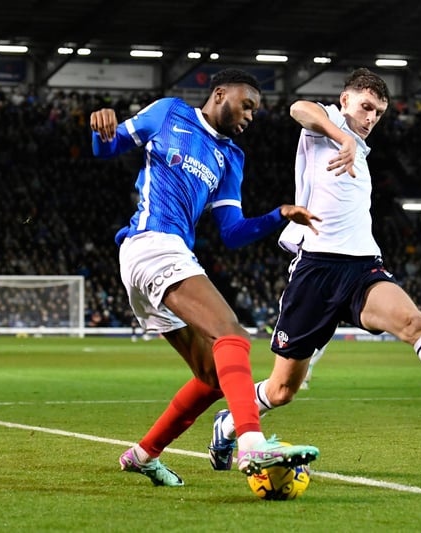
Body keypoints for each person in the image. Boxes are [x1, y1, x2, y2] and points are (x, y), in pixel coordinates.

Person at [208, 69, 421, 471]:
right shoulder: (327, 125)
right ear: (345, 100)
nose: (371, 118)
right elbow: (298, 108)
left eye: (379, 113)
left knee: (414, 322)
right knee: (283, 390)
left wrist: (354, 144)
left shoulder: (363, 153)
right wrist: (343, 137)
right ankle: (228, 425)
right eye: (366, 107)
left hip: (361, 267)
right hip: (315, 271)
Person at [90, 68, 321, 486]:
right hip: (151, 242)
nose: (251, 116)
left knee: (213, 377)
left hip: (160, 258)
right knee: (230, 335)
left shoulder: (231, 157)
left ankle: (143, 455)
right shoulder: (168, 113)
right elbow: (106, 149)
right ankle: (251, 443)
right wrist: (102, 125)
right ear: (220, 94)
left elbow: (231, 233)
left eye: (255, 110)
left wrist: (278, 215)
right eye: (246, 104)